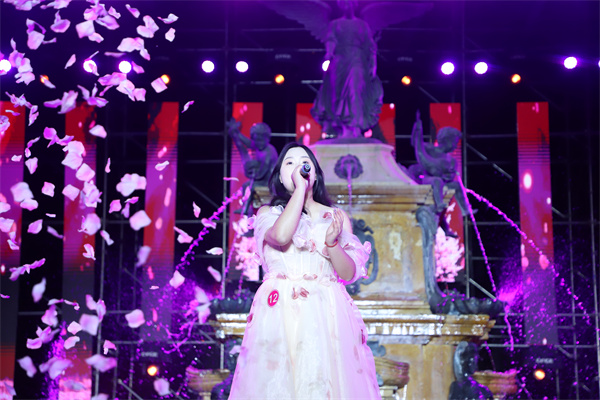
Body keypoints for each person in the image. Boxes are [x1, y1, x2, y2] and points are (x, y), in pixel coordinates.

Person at [228, 142, 381, 399]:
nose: (298, 166)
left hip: (326, 310)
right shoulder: (267, 213)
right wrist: (300, 190)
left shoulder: (336, 216)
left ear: (316, 174)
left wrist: (332, 244)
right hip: (279, 309)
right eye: (289, 162)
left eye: (304, 162)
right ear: (280, 177)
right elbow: (281, 236)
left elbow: (348, 273)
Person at [311, 0, 383, 139]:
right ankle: (344, 129)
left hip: (357, 60)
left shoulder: (362, 25)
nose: (348, 4)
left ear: (355, 4)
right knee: (338, 93)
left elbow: (370, 45)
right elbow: (331, 40)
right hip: (340, 61)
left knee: (355, 90)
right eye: (344, 2)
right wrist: (328, 55)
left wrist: (373, 64)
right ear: (341, 5)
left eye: (350, 1)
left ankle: (355, 128)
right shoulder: (335, 24)